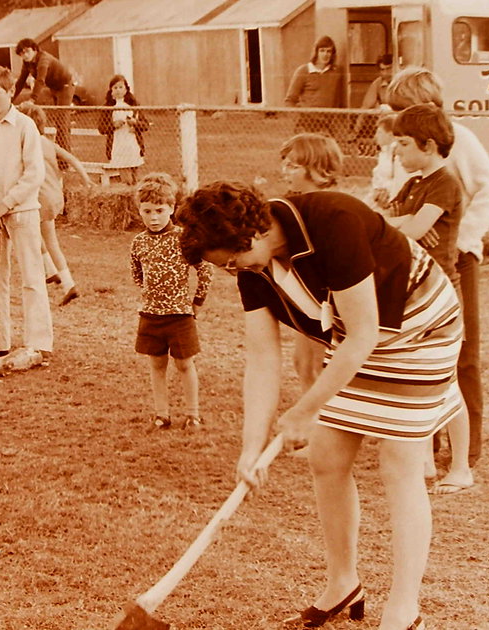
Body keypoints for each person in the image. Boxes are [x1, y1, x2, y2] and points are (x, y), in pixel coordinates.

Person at [177, 182, 463, 630]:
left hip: (419, 327)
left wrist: (304, 411)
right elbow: (262, 356)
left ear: (248, 237)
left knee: (399, 460)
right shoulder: (254, 267)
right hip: (356, 337)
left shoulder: (333, 219)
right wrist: (251, 447)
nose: (234, 272)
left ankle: (404, 608)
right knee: (327, 458)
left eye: (231, 262)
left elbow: (367, 332)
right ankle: (342, 583)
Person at [385, 67, 489, 468]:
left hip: (456, 257)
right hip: (415, 257)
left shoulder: (460, 139)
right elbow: (394, 191)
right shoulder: (402, 142)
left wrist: (463, 235)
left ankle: (465, 450)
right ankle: (424, 442)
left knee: (461, 352)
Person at [384, 104, 472, 495]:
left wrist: (408, 226)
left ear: (429, 144)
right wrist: (406, 225)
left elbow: (414, 229)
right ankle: (422, 462)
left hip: (439, 295)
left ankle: (461, 466)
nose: (397, 152)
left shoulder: (444, 183)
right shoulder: (412, 184)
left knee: (446, 382)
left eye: (403, 144)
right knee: (410, 375)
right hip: (410, 291)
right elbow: (383, 225)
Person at [0, 65, 53, 359]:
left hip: (23, 211)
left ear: (11, 92)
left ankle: (38, 343)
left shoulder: (26, 126)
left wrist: (8, 203)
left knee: (32, 277)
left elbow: (34, 173)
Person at [132, 172, 212, 430]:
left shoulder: (182, 238)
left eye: (159, 210)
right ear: (139, 210)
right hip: (151, 314)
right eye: (147, 211)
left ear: (172, 208)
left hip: (180, 315)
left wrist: (196, 301)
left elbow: (204, 270)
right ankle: (161, 413)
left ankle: (193, 414)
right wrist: (150, 295)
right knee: (156, 363)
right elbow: (136, 272)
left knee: (185, 364)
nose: (153, 217)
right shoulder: (139, 242)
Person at [278, 133, 343, 399]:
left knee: (321, 366)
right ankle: (317, 426)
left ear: (317, 170)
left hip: (337, 302)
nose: (285, 171)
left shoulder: (333, 207)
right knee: (304, 364)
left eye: (293, 166)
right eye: (284, 163)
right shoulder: (292, 205)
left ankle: (327, 425)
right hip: (311, 300)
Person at [19, 101, 94, 307]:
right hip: (54, 196)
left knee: (49, 240)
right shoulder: (47, 142)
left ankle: (69, 284)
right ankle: (51, 271)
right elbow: (72, 159)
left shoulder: (29, 144)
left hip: (40, 198)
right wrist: (85, 178)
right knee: (35, 234)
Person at [13, 38, 74, 156]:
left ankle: (64, 159)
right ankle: (62, 155)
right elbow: (20, 82)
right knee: (61, 123)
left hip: (65, 87)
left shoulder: (43, 59)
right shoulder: (27, 63)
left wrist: (32, 99)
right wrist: (9, 98)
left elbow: (40, 80)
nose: (24, 55)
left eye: (27, 51)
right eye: (21, 53)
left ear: (35, 49)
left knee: (62, 123)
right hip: (54, 88)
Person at [98, 75, 148, 186]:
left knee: (136, 180)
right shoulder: (108, 107)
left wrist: (135, 123)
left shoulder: (134, 105)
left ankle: (137, 200)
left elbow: (145, 125)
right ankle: (130, 198)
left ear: (126, 89)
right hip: (118, 146)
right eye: (115, 88)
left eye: (121, 87)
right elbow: (101, 128)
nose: (118, 90)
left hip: (133, 146)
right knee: (127, 181)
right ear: (111, 90)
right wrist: (113, 125)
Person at [284, 35, 346, 111]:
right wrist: (297, 117)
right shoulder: (303, 71)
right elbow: (290, 100)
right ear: (316, 52)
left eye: (328, 51)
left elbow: (340, 101)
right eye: (322, 50)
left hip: (328, 120)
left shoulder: (336, 72)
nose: (325, 54)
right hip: (307, 120)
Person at [368, 112, 412, 210]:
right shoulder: (384, 152)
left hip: (391, 199)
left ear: (390, 135)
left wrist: (385, 191)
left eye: (379, 132)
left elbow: (401, 181)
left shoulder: (398, 154)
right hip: (377, 196)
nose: (375, 136)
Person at [352, 53, 394, 143]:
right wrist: (355, 132)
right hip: (385, 122)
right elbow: (365, 107)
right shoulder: (378, 83)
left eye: (389, 69)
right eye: (383, 70)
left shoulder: (403, 81)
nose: (386, 73)